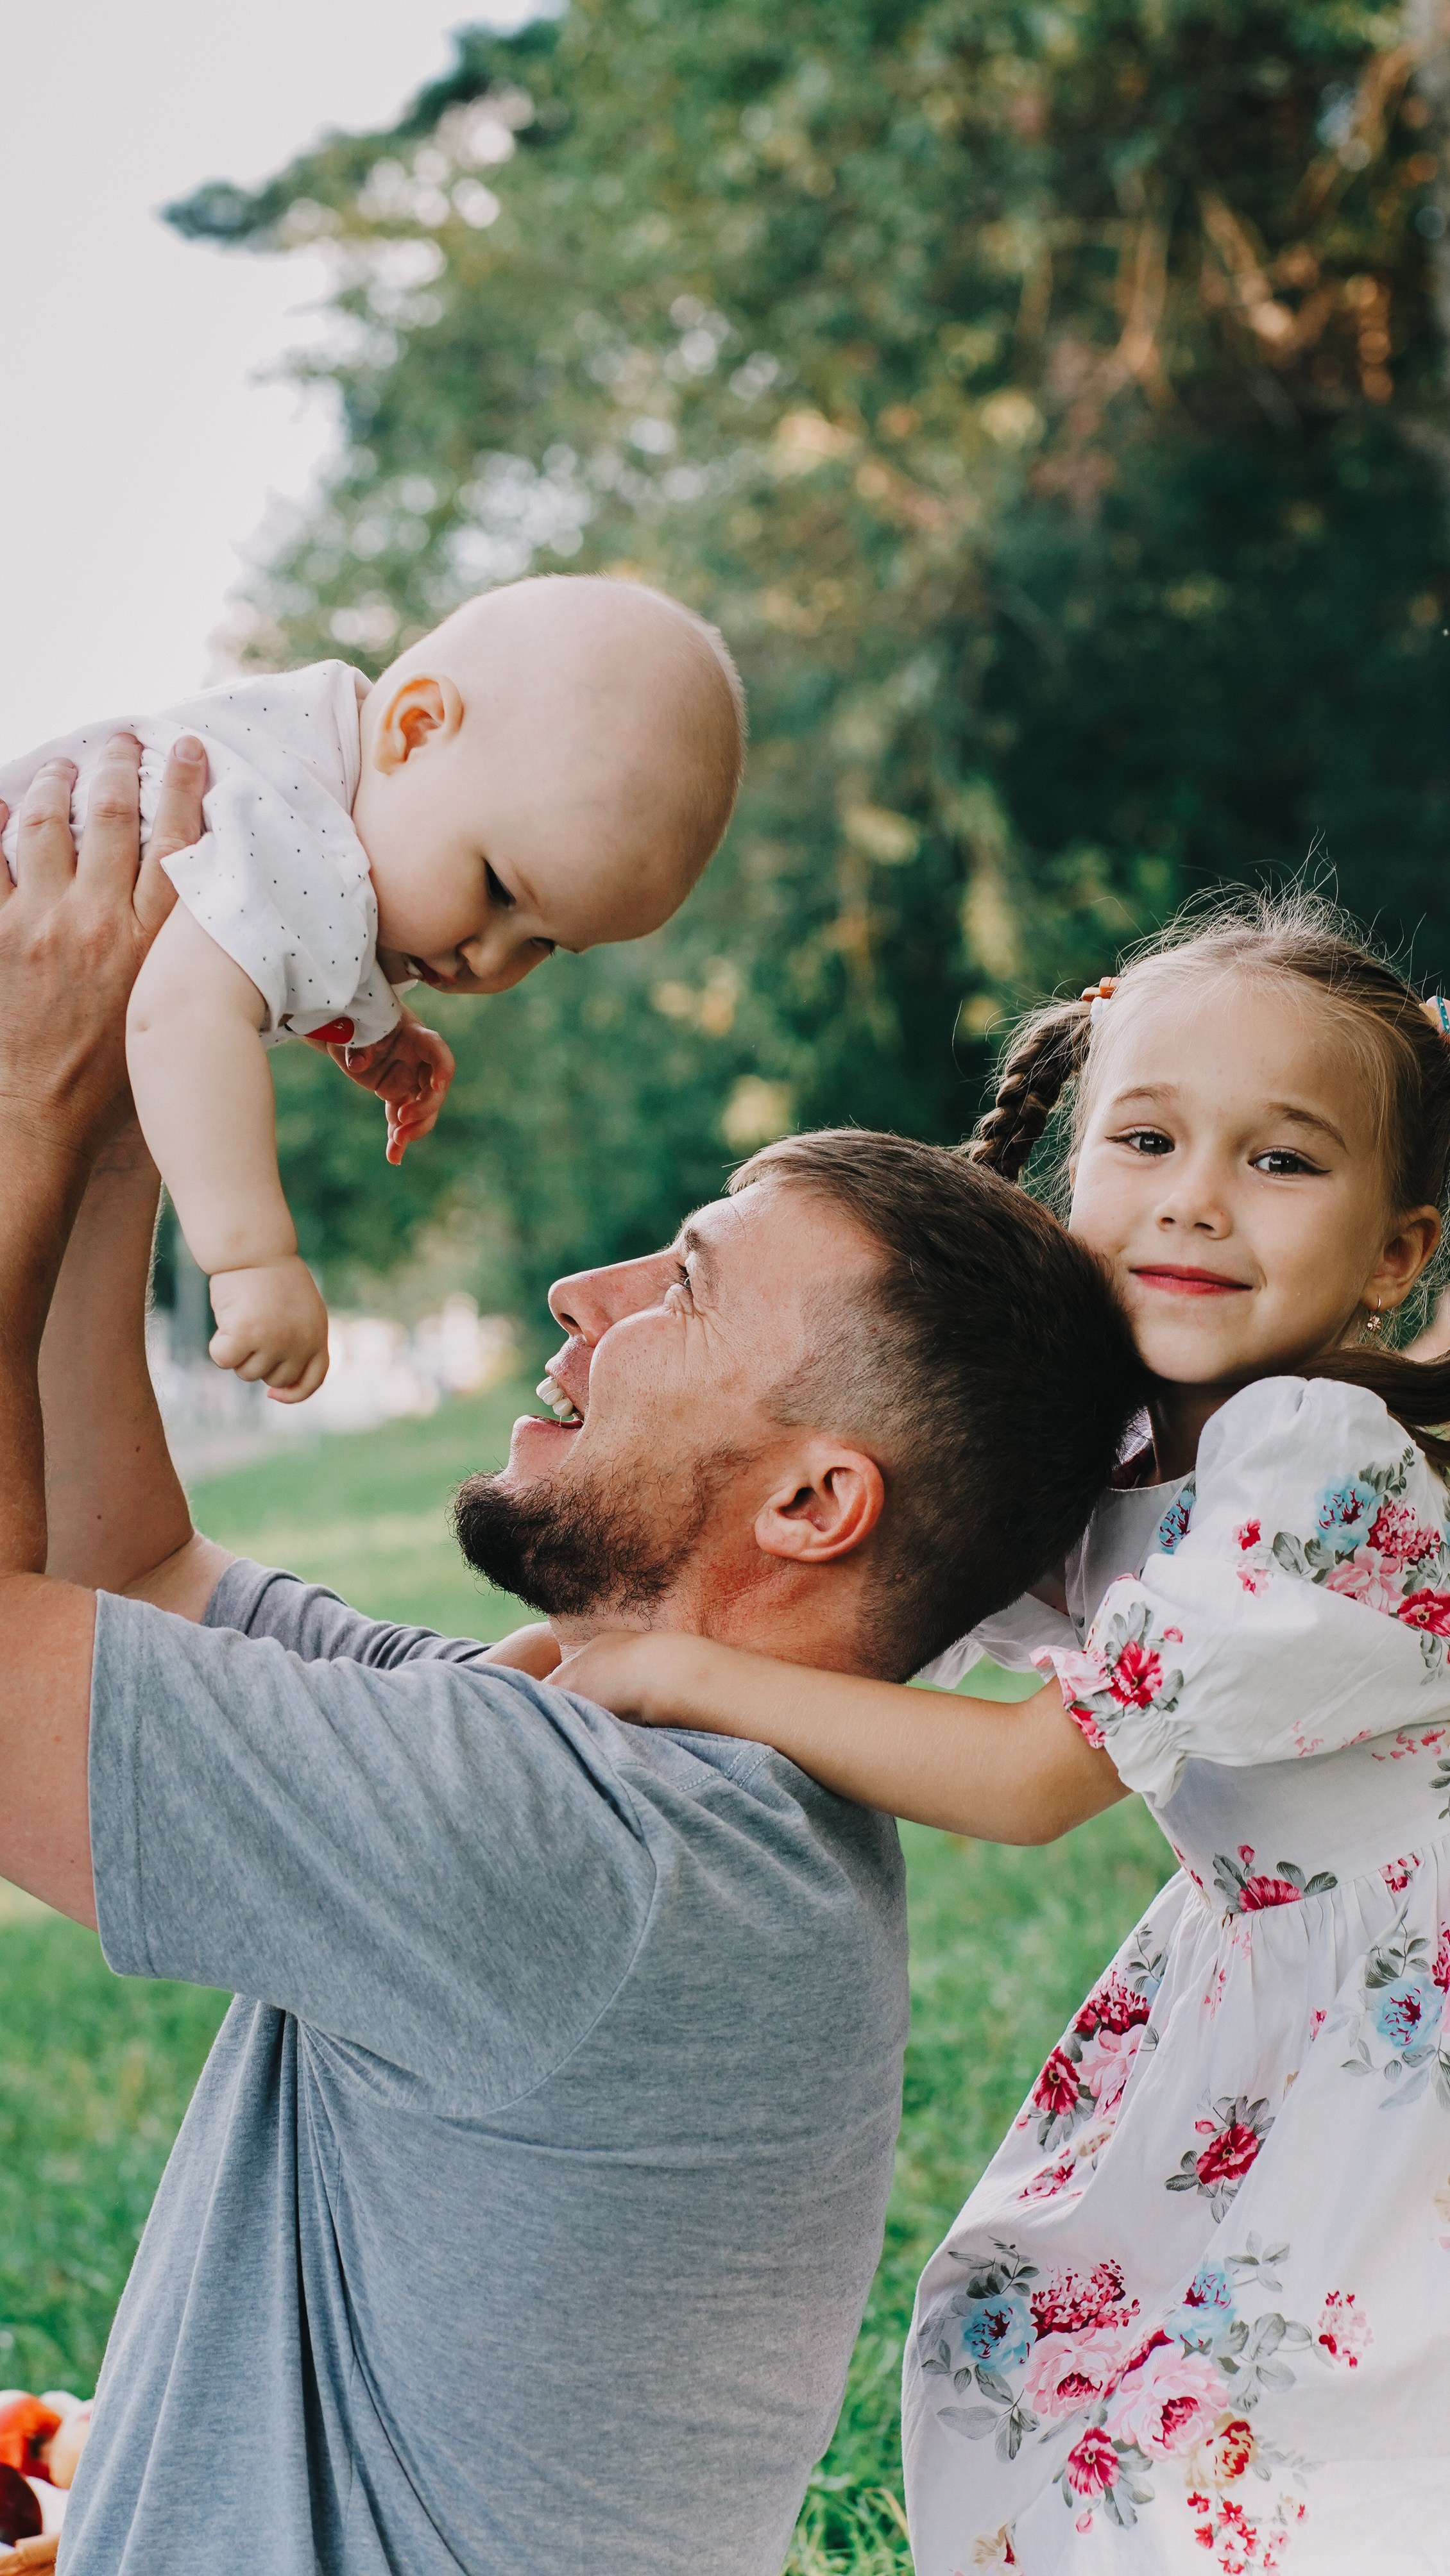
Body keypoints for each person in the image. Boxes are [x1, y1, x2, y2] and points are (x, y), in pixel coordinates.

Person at [0, 739, 1143, 2575]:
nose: (580, 1299)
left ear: (811, 1504)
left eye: (677, 1285)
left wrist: (24, 1104)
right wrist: (138, 1083)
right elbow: (125, 1569)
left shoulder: (595, 1861)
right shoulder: (654, 1798)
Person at [563, 896, 1450, 2570]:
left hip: (1396, 2001)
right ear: (1069, 1177)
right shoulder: (1103, 1440)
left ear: (1392, 1251)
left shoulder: (1308, 1451)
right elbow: (844, 1608)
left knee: (1324, 2433)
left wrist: (673, 1676)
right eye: (1146, 1136)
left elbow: (1037, 1776)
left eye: (1282, 1161)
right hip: (1264, 1979)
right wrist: (593, 1640)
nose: (1194, 1193)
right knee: (1068, 2368)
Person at [0, 574, 746, 1401]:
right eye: (498, 888)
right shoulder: (304, 840)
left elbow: (262, 939)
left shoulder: (306, 757)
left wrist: (368, 1022)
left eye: (543, 944)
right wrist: (254, 1259)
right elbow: (183, 1018)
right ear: (416, 728)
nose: (486, 959)